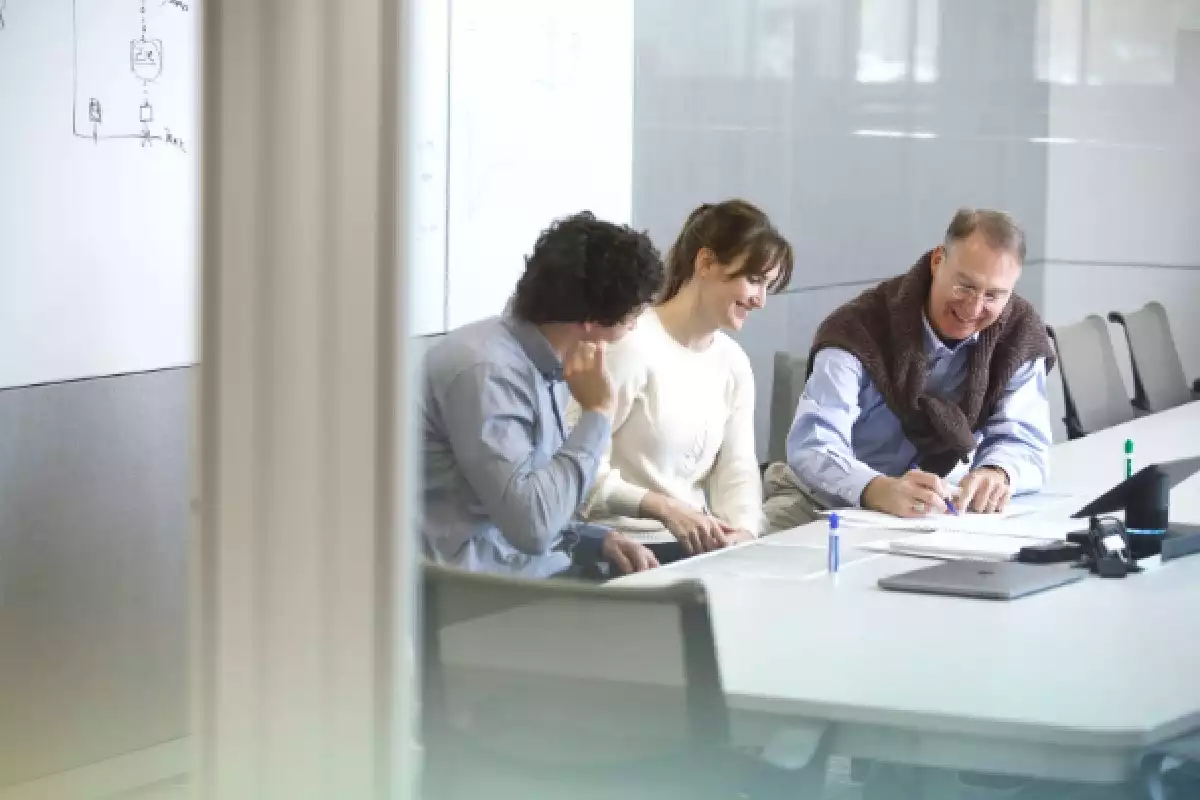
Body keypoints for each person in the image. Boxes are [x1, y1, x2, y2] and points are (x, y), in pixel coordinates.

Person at [763, 208, 1055, 531]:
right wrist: (878, 489)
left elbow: (1027, 443)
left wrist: (998, 472)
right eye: (965, 286)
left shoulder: (1019, 335)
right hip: (823, 504)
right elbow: (813, 445)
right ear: (937, 262)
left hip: (935, 516)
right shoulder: (858, 329)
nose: (973, 308)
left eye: (993, 295)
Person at [420, 211, 664, 577]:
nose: (635, 325)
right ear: (592, 321)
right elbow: (532, 526)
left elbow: (531, 497)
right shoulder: (488, 372)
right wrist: (597, 413)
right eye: (633, 315)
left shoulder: (540, 362)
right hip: (475, 597)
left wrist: (594, 539)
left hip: (524, 574)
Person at [568, 200, 794, 562]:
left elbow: (737, 468)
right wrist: (664, 508)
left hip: (698, 547)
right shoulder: (629, 343)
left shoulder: (732, 362)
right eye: (753, 280)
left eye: (768, 285)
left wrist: (744, 531)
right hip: (620, 549)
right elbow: (576, 469)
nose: (760, 300)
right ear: (705, 263)